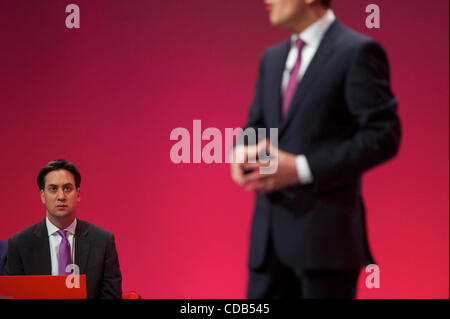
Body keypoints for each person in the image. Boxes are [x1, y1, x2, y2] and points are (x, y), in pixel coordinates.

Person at [230, 0, 401, 299]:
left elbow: (383, 135)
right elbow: (256, 124)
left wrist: (300, 169)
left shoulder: (357, 52)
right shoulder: (271, 58)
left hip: (325, 248)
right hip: (268, 248)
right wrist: (240, 152)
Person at [4, 159, 122, 299]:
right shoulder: (20, 244)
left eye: (67, 188)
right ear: (43, 196)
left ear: (78, 194)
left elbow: (111, 296)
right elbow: (12, 296)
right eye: (53, 189)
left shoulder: (102, 241)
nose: (61, 196)